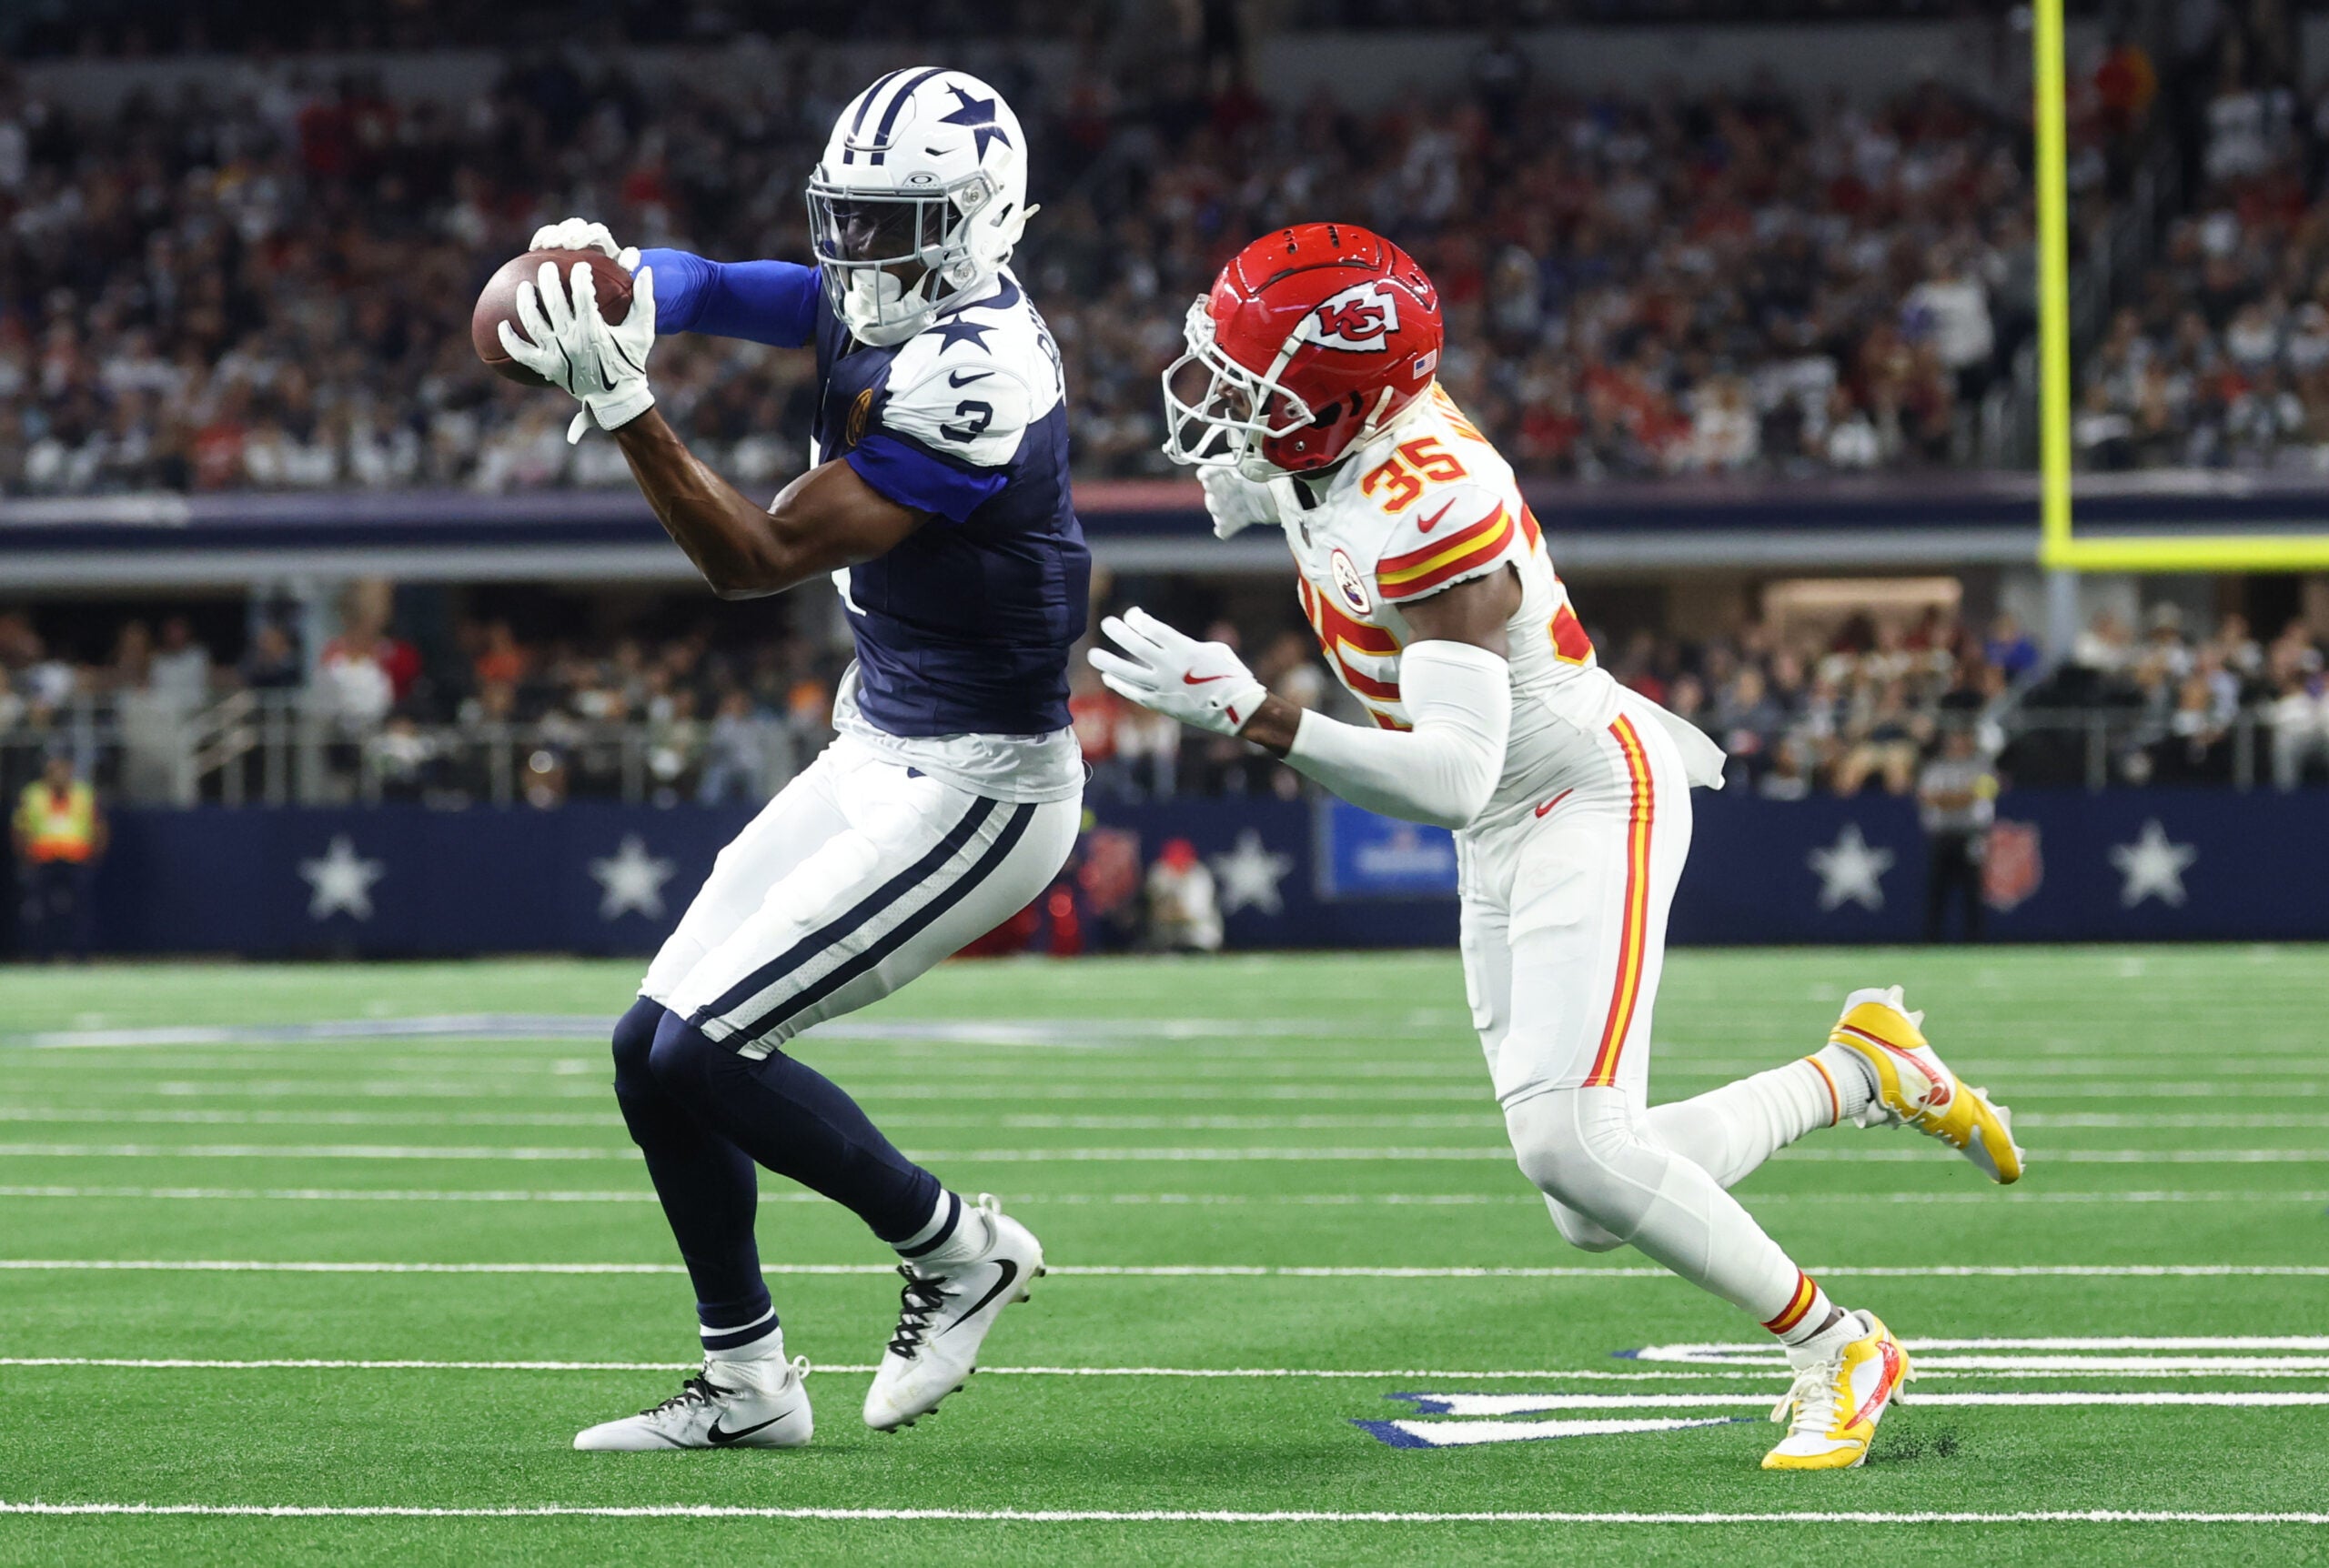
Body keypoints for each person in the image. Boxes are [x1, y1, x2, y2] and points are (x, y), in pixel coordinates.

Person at [1096, 224, 2025, 1473]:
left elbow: (1448, 772)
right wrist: (1265, 474)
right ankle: (1861, 1072)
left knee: (1571, 1144)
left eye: (1257, 386)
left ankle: (1838, 1343)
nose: (1218, 394)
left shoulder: (1428, 508)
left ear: (1344, 407)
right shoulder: (1343, 440)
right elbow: (1327, 473)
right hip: (1508, 821)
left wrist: (1259, 716)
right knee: (1585, 1196)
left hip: (1581, 792)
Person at [500, 68, 1084, 1452]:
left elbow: (750, 559)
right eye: (852, 217)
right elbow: (705, 281)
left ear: (982, 221)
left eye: (900, 223)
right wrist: (604, 274)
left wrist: (625, 401)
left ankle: (956, 1246)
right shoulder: (888, 296)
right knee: (649, 1052)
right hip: (880, 741)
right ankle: (748, 1383)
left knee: (713, 1046)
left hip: (982, 786)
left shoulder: (973, 370)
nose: (859, 253)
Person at [13, 751, 105, 961]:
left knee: (81, 911)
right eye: (55, 769)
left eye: (64, 769)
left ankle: (81, 955)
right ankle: (41, 956)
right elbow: (20, 828)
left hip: (76, 859)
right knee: (40, 910)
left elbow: (100, 827)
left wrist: (94, 856)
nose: (60, 774)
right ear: (47, 772)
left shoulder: (84, 794)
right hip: (43, 860)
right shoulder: (33, 794)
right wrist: (26, 857)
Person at [1918, 727, 1998, 942]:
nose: (1959, 743)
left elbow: (1981, 795)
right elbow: (1927, 797)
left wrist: (1947, 799)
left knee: (1973, 890)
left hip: (1969, 835)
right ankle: (1931, 939)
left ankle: (1976, 939)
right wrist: (1961, 797)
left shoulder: (1982, 767)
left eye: (1963, 737)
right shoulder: (1936, 767)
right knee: (1937, 891)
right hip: (1942, 835)